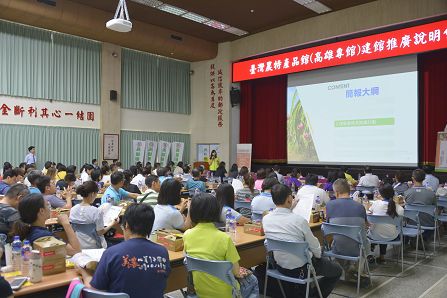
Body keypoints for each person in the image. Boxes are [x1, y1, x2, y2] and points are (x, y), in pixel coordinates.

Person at [263, 184, 342, 298]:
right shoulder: (299, 220)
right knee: (337, 270)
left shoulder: (266, 219)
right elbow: (316, 249)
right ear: (290, 199)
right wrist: (319, 254)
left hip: (280, 267)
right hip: (302, 269)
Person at [78, 204, 170, 298]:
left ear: (126, 225)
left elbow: (94, 290)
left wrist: (84, 273)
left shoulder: (112, 253)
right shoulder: (162, 252)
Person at [183, 193, 259, 298]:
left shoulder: (187, 235)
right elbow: (236, 272)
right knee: (253, 280)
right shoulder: (224, 238)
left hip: (200, 292)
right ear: (215, 211)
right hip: (227, 293)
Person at [326, 178, 370, 284]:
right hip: (358, 250)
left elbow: (328, 227)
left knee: (339, 238)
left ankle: (343, 270)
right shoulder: (360, 207)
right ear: (349, 190)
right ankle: (358, 270)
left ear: (336, 192)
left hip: (338, 249)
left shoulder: (330, 205)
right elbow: (365, 226)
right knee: (365, 240)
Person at [12, 193, 81, 255]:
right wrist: (66, 224)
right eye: (47, 205)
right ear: (41, 211)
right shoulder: (42, 236)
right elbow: (76, 251)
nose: (50, 208)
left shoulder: (31, 230)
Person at [70, 181, 118, 249]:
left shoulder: (73, 209)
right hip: (95, 246)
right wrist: (112, 224)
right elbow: (100, 232)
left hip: (79, 245)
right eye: (96, 194)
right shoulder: (96, 211)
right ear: (92, 194)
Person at [368, 184, 404, 263]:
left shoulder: (375, 204)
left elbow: (369, 211)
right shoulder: (398, 208)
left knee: (377, 228)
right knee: (386, 228)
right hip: (391, 236)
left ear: (380, 194)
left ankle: (369, 253)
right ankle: (382, 257)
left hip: (374, 236)